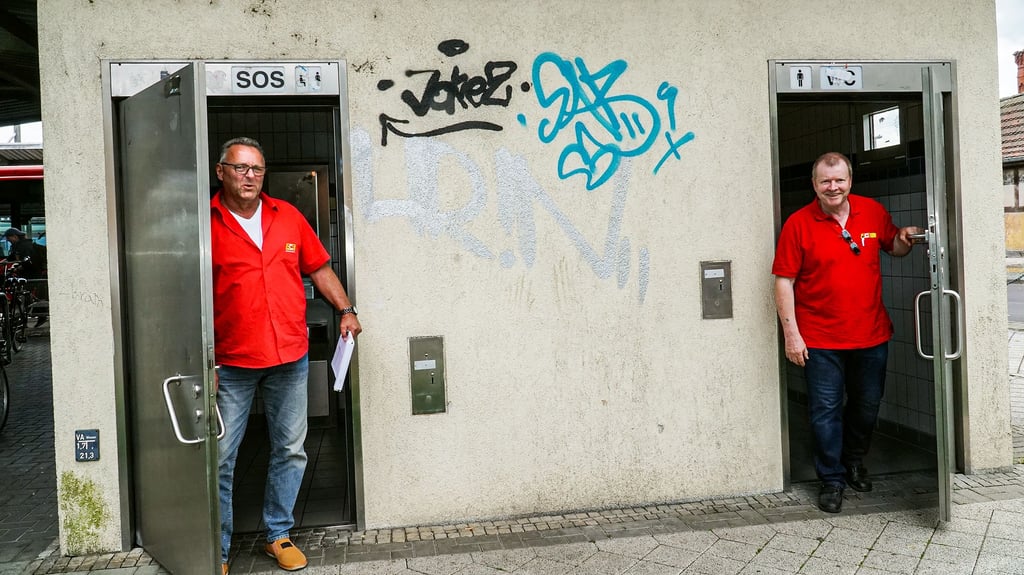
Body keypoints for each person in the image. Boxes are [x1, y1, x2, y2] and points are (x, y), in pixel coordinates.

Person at [212, 137, 361, 574]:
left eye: (256, 169)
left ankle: (277, 534)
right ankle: (216, 549)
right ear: (221, 171)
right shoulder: (205, 222)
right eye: (239, 168)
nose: (249, 176)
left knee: (291, 450)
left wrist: (346, 310)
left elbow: (318, 267)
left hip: (289, 357)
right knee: (221, 458)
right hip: (231, 364)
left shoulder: (288, 216)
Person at [772, 152, 922, 514]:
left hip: (870, 335)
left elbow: (894, 248)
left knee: (866, 408)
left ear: (850, 181)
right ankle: (832, 480)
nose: (833, 187)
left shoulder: (871, 212)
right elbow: (783, 281)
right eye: (825, 181)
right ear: (815, 184)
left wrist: (905, 238)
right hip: (820, 340)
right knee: (824, 412)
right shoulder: (798, 224)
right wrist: (792, 335)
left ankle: (854, 461)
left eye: (839, 179)